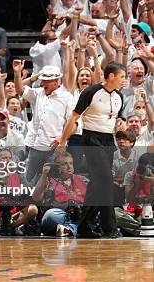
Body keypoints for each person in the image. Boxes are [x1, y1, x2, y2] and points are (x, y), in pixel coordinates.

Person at [54, 62, 126, 238]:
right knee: (106, 180)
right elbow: (74, 117)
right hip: (91, 138)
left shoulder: (119, 96)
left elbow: (116, 119)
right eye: (122, 77)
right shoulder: (91, 93)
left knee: (97, 184)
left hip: (108, 140)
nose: (124, 80)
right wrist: (63, 140)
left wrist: (120, 125)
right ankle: (109, 228)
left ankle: (84, 226)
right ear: (111, 77)